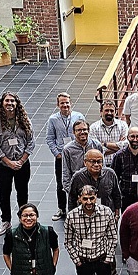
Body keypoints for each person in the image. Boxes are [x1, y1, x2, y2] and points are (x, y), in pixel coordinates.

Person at [67, 149, 123, 275]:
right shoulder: (78, 177)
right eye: (93, 161)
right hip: (84, 220)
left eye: (99, 161)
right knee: (85, 252)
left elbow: (117, 194)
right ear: (85, 162)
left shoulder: (110, 173)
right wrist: (72, 219)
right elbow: (72, 198)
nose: (96, 164)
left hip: (106, 219)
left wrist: (117, 213)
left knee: (108, 247)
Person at [0, 92, 35, 236]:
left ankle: (24, 220)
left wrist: (21, 161)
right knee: (4, 194)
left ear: (17, 104)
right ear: (2, 103)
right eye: (7, 101)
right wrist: (8, 162)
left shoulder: (24, 120)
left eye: (12, 101)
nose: (10, 103)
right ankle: (6, 221)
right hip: (4, 166)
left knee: (22, 193)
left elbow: (31, 142)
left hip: (22, 165)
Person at [45, 92, 85, 221]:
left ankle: (80, 206)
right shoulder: (53, 119)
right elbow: (50, 139)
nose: (65, 105)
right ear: (58, 105)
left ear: (70, 103)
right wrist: (57, 154)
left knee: (80, 179)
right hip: (61, 157)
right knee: (61, 182)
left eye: (67, 102)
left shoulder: (78, 116)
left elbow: (84, 132)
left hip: (76, 155)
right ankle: (62, 209)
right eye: (62, 103)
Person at [111, 126, 138, 211]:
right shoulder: (119, 155)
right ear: (127, 137)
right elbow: (114, 178)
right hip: (126, 196)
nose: (135, 139)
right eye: (132, 136)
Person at [62, 120, 103, 192]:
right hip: (77, 186)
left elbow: (103, 166)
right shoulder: (68, 149)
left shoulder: (96, 145)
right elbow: (66, 171)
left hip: (96, 186)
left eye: (84, 129)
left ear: (88, 130)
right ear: (74, 132)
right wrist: (70, 191)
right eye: (79, 130)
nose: (82, 132)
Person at [89, 100, 129, 166]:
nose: (109, 113)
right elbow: (96, 150)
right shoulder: (93, 127)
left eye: (112, 111)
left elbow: (126, 146)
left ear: (115, 112)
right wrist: (118, 147)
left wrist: (104, 144)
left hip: (120, 164)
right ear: (101, 112)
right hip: (101, 165)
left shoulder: (123, 125)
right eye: (107, 110)